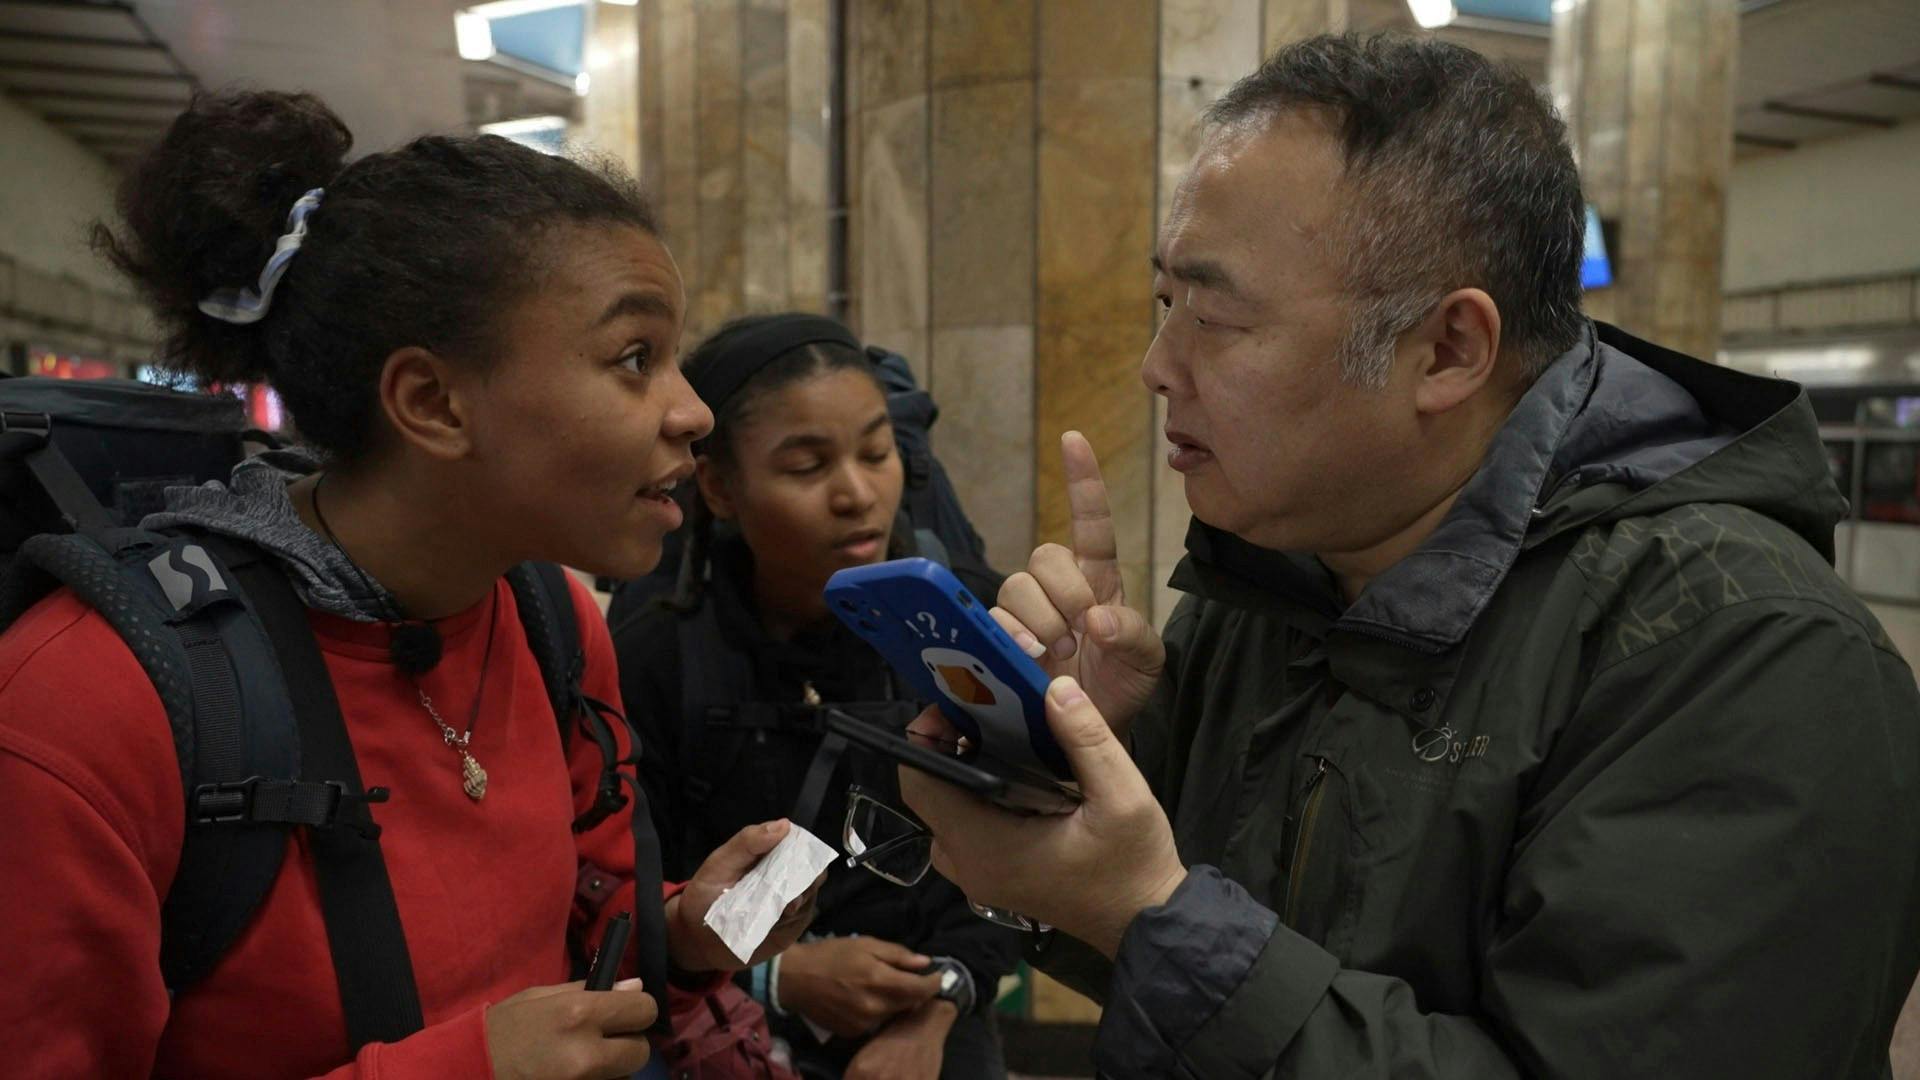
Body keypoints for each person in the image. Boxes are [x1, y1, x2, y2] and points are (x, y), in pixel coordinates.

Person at [899, 33, 1920, 1080]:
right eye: (1165, 304)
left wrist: (1155, 914)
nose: (1158, 367)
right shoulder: (1272, 584)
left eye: (1215, 314)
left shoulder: (1751, 658)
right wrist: (1093, 768)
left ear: (1447, 351)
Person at [0, 90, 818, 1078]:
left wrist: (685, 933)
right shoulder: (88, 704)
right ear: (431, 403)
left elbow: (584, 928)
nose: (691, 412)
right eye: (635, 357)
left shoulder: (552, 622)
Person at [611, 314, 1020, 1080]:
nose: (858, 494)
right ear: (720, 487)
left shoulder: (968, 629)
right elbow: (626, 896)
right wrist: (780, 976)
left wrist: (940, 1005)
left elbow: (1019, 853)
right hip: (718, 1018)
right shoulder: (657, 655)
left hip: (930, 1016)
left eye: (876, 452)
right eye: (807, 467)